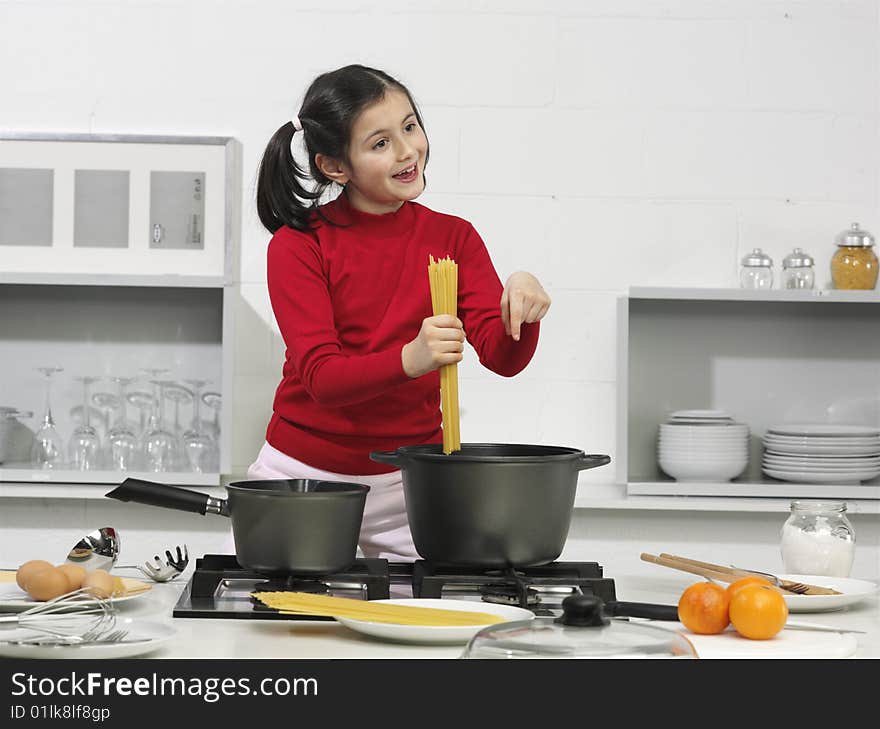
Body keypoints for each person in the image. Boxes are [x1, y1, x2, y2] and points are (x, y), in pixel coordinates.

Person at [247, 64, 551, 562]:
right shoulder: (298, 245)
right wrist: (411, 358)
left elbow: (502, 356)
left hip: (410, 481)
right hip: (299, 477)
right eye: (380, 142)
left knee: (422, 618)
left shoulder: (455, 237)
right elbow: (322, 377)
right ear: (334, 166)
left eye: (410, 127)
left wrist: (523, 307)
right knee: (272, 620)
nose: (408, 151)